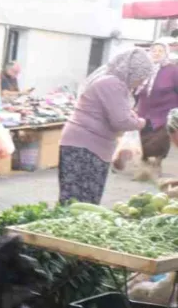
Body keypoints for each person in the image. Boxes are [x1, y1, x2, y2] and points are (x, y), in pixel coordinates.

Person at [59, 49, 151, 204]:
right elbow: (121, 121)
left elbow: (119, 113)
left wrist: (131, 117)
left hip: (90, 146)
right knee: (79, 200)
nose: (142, 82)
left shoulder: (114, 83)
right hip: (84, 147)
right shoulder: (112, 83)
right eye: (141, 77)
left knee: (85, 199)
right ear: (131, 71)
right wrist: (141, 123)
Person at [136, 39, 178, 172]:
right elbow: (136, 89)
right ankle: (144, 165)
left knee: (159, 141)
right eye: (154, 50)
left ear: (166, 53)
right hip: (143, 112)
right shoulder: (145, 69)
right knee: (141, 140)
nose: (157, 53)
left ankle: (157, 163)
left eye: (160, 51)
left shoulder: (173, 70)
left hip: (164, 113)